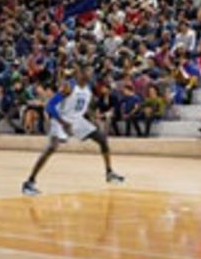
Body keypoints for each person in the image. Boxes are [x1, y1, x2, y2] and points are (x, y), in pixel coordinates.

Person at [21, 68, 124, 196]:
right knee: (51, 148)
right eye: (86, 71)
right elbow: (50, 106)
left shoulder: (88, 90)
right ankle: (29, 182)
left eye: (90, 72)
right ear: (79, 73)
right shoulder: (68, 86)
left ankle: (109, 173)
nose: (89, 74)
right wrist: (63, 123)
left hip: (77, 120)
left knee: (102, 139)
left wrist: (93, 120)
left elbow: (83, 109)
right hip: (61, 119)